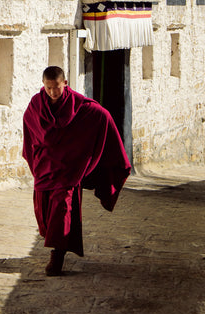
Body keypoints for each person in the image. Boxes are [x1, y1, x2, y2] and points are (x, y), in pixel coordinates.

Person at [22, 65, 131, 276]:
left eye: (57, 87)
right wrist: (35, 158)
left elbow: (101, 115)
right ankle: (55, 244)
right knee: (44, 212)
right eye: (48, 87)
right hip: (45, 166)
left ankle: (57, 255)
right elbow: (30, 128)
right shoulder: (36, 104)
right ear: (43, 85)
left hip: (68, 169)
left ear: (65, 83)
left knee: (62, 209)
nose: (53, 92)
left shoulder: (78, 105)